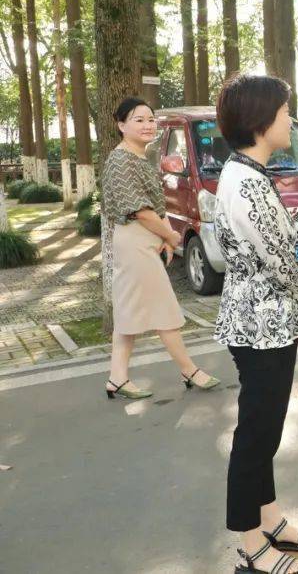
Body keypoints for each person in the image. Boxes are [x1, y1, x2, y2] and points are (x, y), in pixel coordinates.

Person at [214, 74, 298, 574]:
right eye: (284, 111)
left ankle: (269, 519)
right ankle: (250, 544)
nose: (290, 119)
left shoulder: (244, 174)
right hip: (261, 324)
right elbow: (283, 264)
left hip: (265, 321)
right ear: (262, 121)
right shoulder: (249, 183)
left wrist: (297, 313)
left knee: (266, 430)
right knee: (256, 435)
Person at [100, 97, 219, 400]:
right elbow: (140, 210)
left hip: (141, 240)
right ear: (121, 125)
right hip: (136, 241)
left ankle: (117, 378)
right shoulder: (121, 160)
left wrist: (164, 238)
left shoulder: (137, 157)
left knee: (127, 314)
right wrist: (171, 236)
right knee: (165, 310)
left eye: (150, 119)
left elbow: (151, 208)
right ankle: (189, 370)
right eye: (138, 119)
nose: (147, 125)